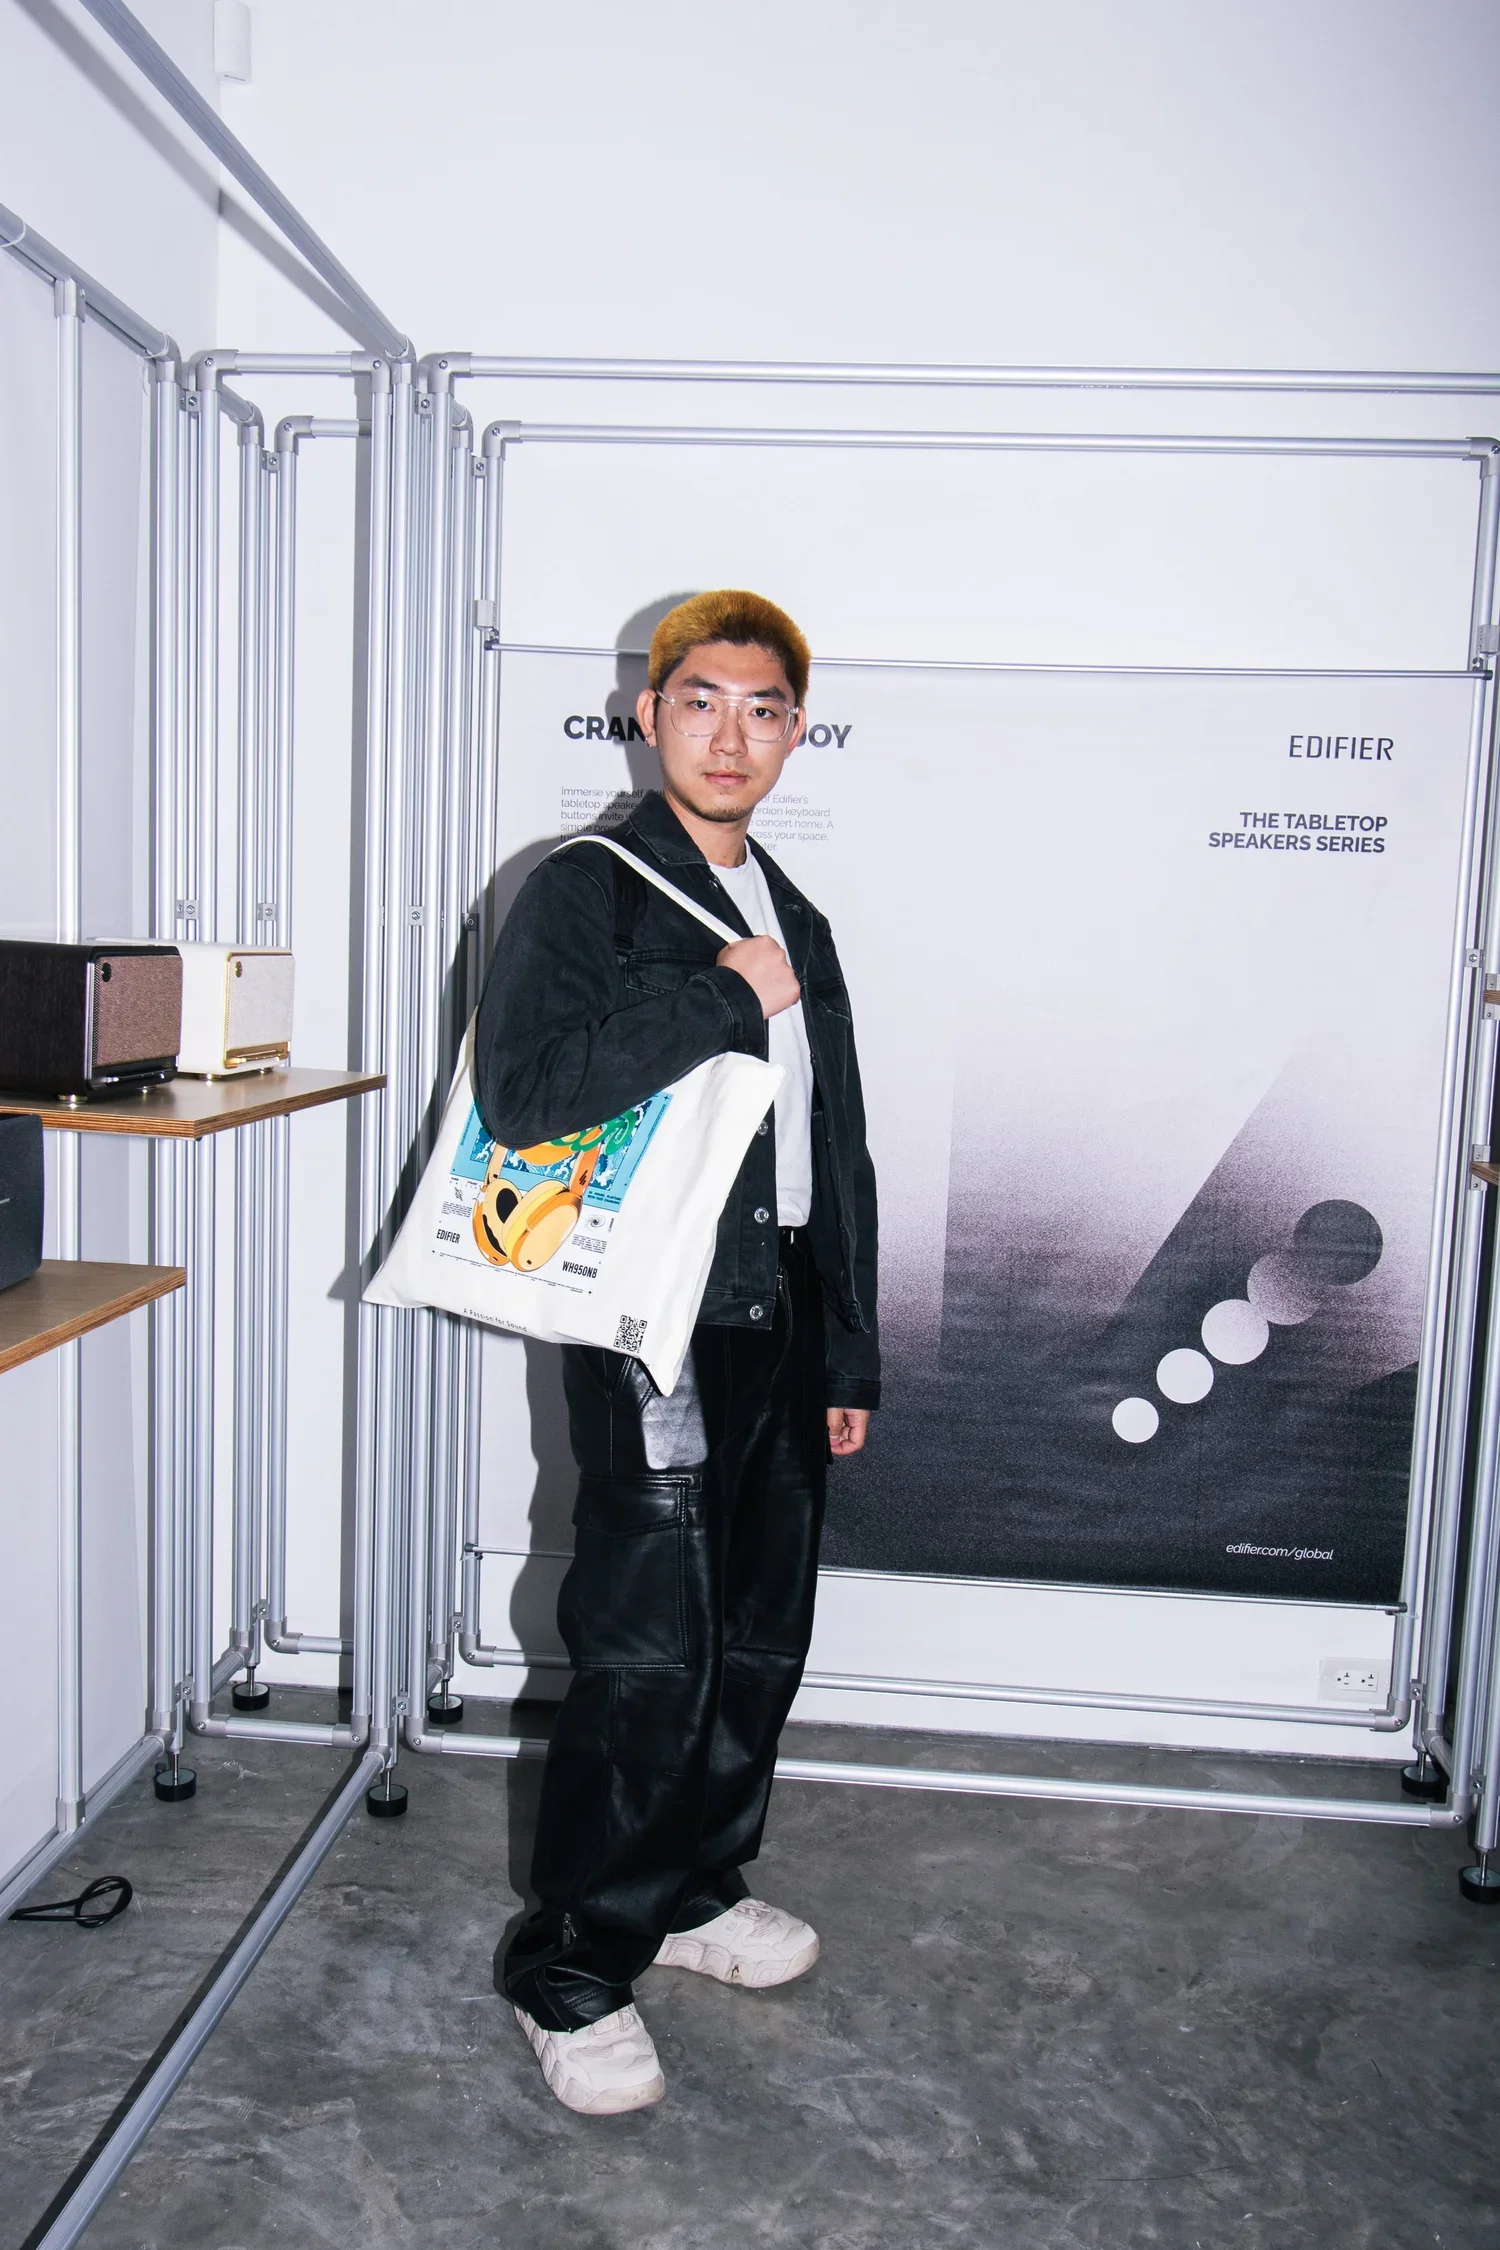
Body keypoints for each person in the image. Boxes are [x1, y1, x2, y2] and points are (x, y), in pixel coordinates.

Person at [475, 588, 879, 2114]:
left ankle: (696, 1887)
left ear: (794, 731)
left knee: (758, 1634)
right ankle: (571, 1963)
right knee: (650, 1646)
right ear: (649, 716)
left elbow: (835, 1146)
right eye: (702, 700)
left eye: (766, 708)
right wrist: (718, 997)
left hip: (778, 1314)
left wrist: (851, 1348)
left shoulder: (797, 906)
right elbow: (525, 1092)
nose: (733, 733)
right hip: (655, 1320)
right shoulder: (587, 890)